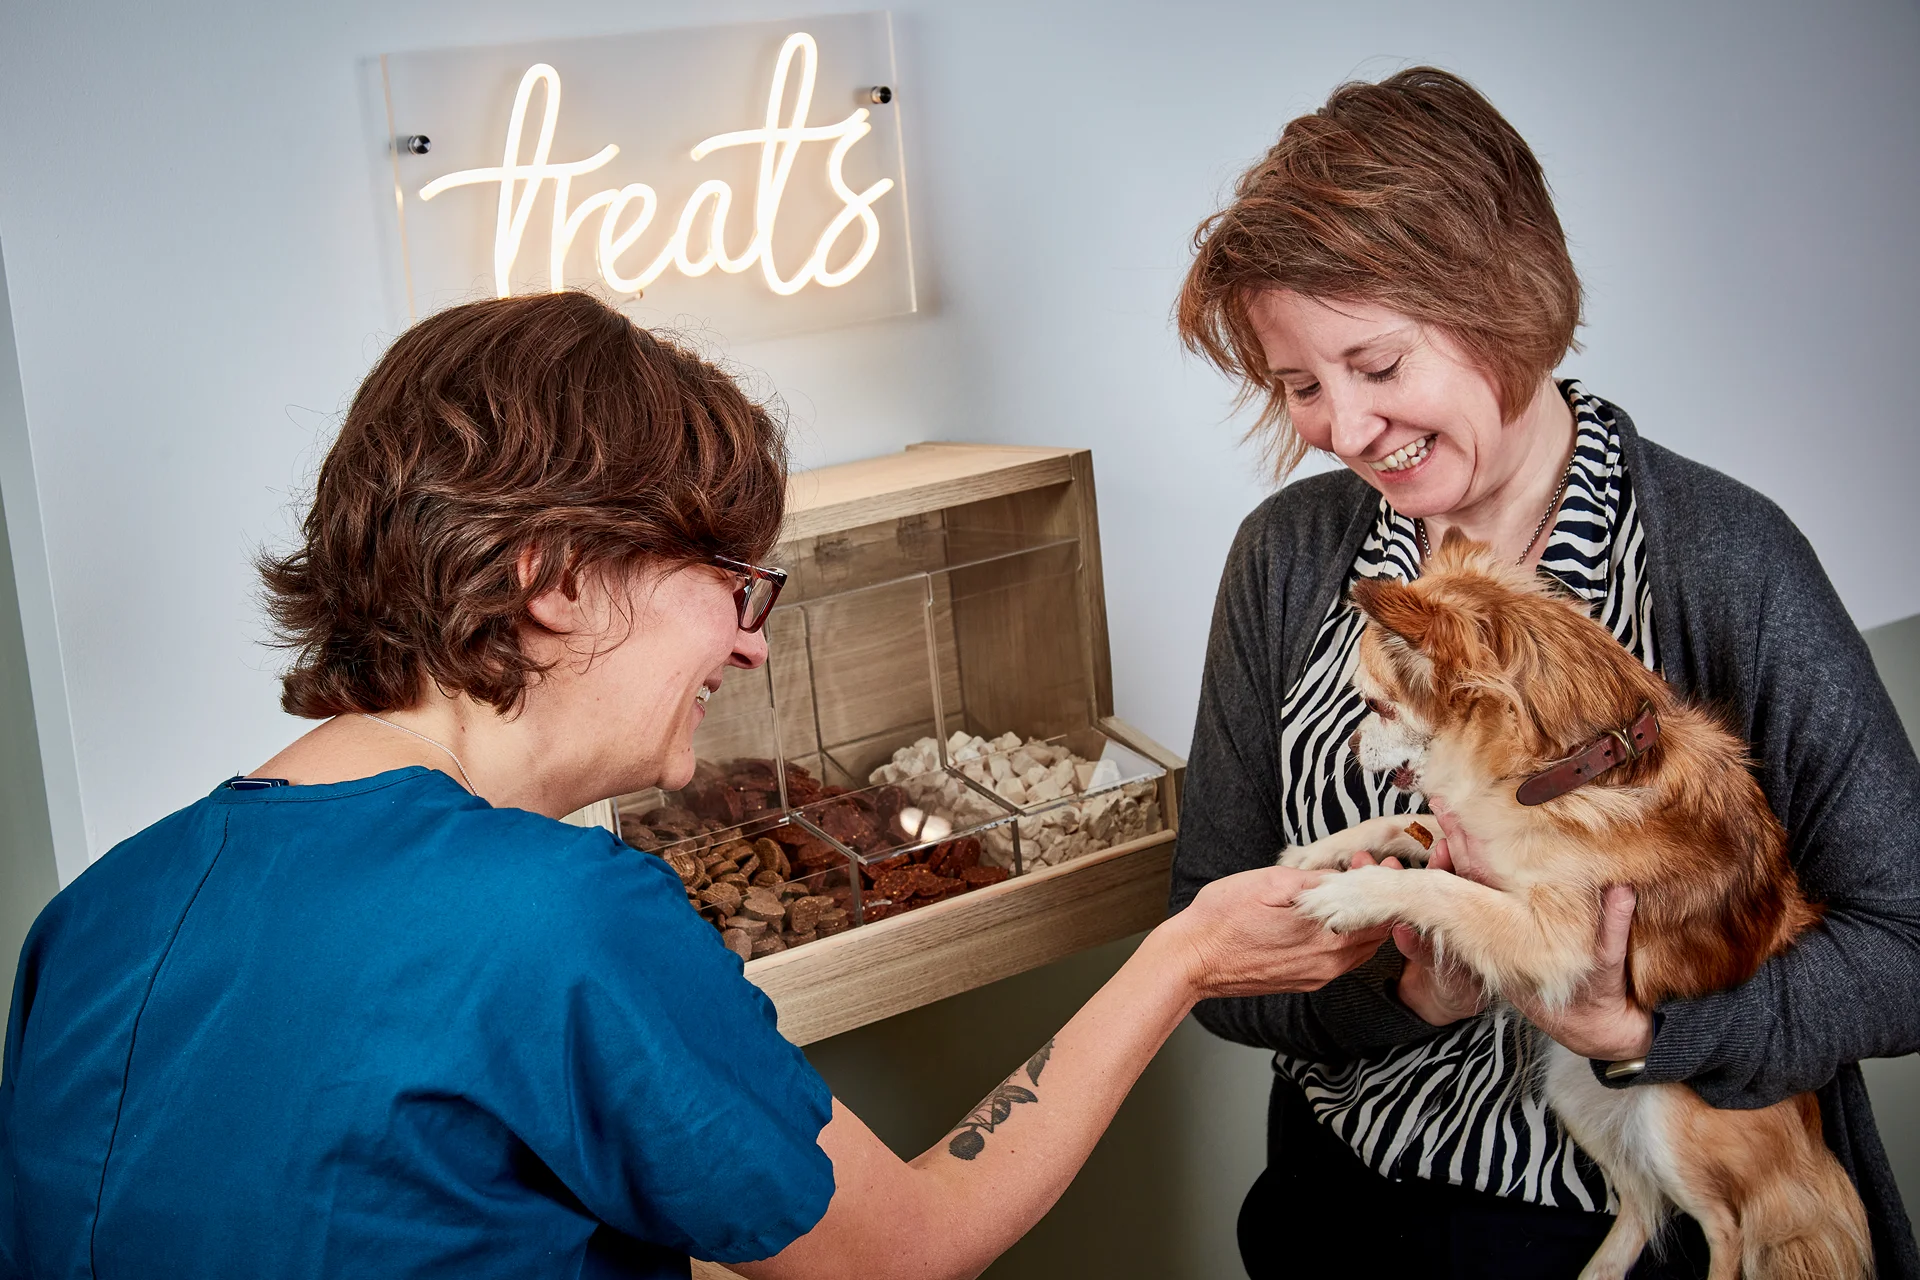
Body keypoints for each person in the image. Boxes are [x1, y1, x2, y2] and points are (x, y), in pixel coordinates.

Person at [0, 290, 1387, 1279]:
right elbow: (898, 1255)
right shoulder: (555, 916)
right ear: (553, 583)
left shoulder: (99, 912)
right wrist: (1186, 957)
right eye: (730, 581)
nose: (752, 637)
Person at [1169, 67, 1920, 1279]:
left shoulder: (1724, 559)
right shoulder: (1289, 560)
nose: (1346, 429)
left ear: (1504, 303)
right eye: (1301, 385)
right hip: (1334, 1212)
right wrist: (1404, 999)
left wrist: (1651, 1030)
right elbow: (1208, 941)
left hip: (1643, 1231)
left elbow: (1908, 941)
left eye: (1377, 364)